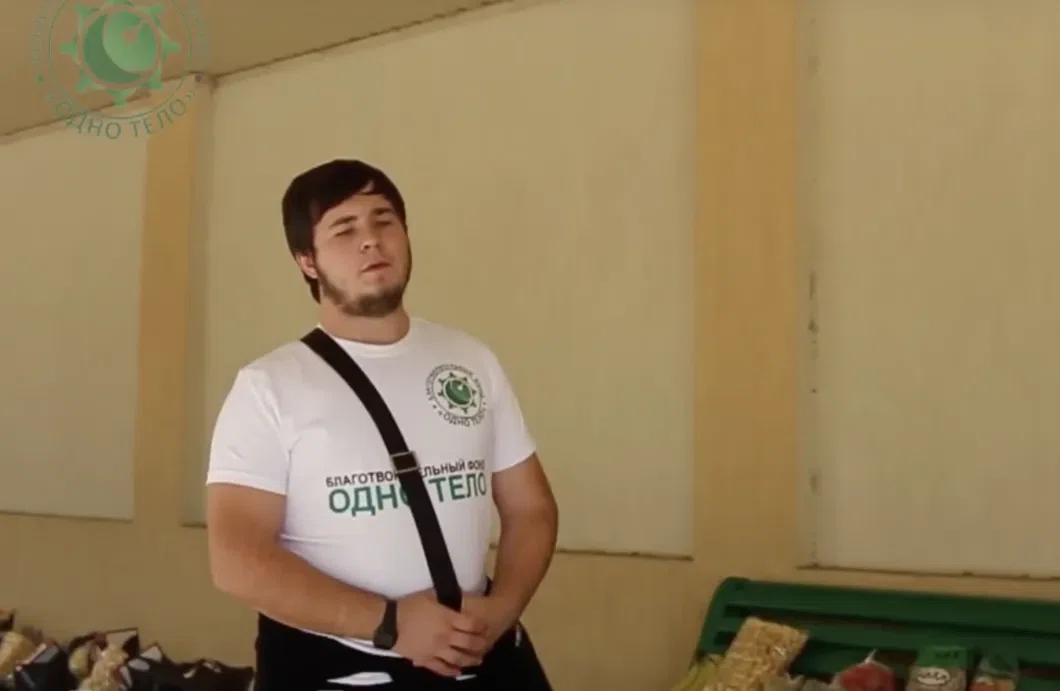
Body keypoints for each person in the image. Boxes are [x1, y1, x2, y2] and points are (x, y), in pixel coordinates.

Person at [204, 159, 559, 690]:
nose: (370, 240)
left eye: (384, 220)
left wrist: (502, 609)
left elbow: (531, 508)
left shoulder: (470, 360)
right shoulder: (268, 387)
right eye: (344, 229)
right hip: (340, 670)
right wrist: (388, 624)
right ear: (307, 261)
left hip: (481, 659)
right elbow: (237, 560)